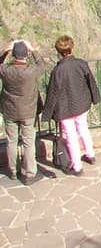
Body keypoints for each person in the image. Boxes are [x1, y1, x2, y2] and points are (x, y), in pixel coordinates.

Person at [41, 35, 101, 176]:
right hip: (81, 104)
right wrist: (95, 98)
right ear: (71, 47)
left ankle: (77, 166)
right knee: (83, 128)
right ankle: (90, 154)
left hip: (65, 109)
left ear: (58, 51)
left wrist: (47, 114)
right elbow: (91, 82)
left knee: (71, 136)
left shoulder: (58, 71)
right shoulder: (81, 64)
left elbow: (52, 94)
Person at [0, 39, 49, 184]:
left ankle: (13, 171)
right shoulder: (31, 71)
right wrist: (33, 49)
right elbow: (42, 65)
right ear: (26, 55)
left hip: (10, 111)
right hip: (28, 111)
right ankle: (29, 173)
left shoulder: (5, 70)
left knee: (11, 141)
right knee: (28, 142)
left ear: (13, 55)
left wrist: (5, 52)